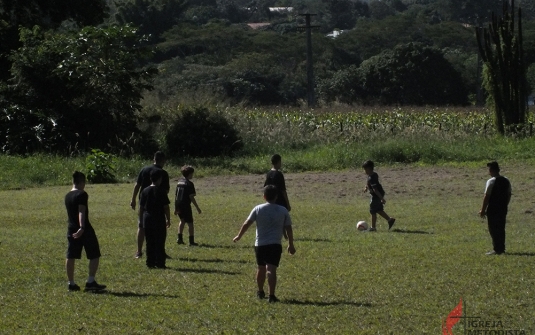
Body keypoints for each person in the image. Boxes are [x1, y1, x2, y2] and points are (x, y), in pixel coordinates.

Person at [233, 185, 296, 303]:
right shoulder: (283, 210)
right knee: (271, 269)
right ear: (276, 197)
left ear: (264, 196)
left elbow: (247, 223)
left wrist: (239, 236)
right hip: (275, 244)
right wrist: (291, 244)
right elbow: (288, 228)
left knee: (261, 268)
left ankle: (260, 291)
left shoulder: (258, 209)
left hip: (260, 244)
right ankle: (272, 295)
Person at [65, 171, 106, 292]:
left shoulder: (67, 195)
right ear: (81, 182)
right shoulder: (82, 194)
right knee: (94, 254)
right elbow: (81, 211)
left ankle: (71, 283)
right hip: (84, 229)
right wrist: (82, 227)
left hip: (71, 228)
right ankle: (90, 281)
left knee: (71, 255)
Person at [130, 151, 170, 258]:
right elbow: (166, 191)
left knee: (141, 226)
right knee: (160, 228)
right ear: (163, 161)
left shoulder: (144, 170)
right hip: (158, 204)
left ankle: (139, 251)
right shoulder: (163, 173)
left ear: (154, 159)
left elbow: (137, 185)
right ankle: (161, 251)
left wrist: (133, 199)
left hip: (144, 203)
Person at [139, 169, 171, 268]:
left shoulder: (145, 190)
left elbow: (141, 208)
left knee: (149, 241)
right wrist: (168, 219)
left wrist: (141, 220)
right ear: (160, 179)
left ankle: (150, 262)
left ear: (150, 179)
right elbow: (166, 207)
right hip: (158, 218)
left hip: (147, 218)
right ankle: (160, 263)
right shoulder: (161, 191)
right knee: (160, 241)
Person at [479, 161, 511, 255]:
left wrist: (483, 210)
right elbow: (509, 194)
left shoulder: (491, 181)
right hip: (503, 208)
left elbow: (487, 197)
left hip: (493, 209)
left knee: (493, 228)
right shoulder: (506, 180)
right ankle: (501, 248)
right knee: (501, 228)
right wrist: (505, 204)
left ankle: (497, 249)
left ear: (491, 170)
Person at [362, 160, 396, 231]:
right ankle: (390, 220)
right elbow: (368, 183)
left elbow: (375, 190)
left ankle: (373, 228)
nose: (364, 171)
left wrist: (381, 198)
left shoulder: (372, 178)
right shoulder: (372, 175)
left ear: (369, 168)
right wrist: (366, 187)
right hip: (379, 194)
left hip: (377, 195)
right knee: (379, 209)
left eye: (365, 169)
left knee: (373, 210)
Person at [175, 165, 202, 246]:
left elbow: (176, 195)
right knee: (190, 223)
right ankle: (191, 241)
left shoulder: (179, 182)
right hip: (185, 205)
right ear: (190, 174)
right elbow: (191, 197)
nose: (192, 175)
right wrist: (197, 208)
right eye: (192, 174)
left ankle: (179, 238)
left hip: (178, 204)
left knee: (182, 220)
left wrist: (175, 207)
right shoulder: (189, 184)